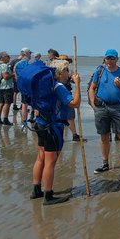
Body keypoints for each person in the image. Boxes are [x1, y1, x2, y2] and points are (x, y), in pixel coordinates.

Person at [31, 60, 81, 205]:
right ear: (59, 73)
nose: (69, 73)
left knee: (40, 158)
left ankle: (36, 190)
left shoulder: (45, 85)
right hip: (52, 128)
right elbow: (75, 103)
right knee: (50, 162)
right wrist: (77, 84)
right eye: (66, 70)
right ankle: (48, 195)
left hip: (40, 124)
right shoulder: (59, 86)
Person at [89, 49, 120, 174]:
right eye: (107, 58)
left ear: (117, 59)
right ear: (104, 59)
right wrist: (93, 104)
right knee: (104, 135)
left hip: (117, 107)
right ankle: (105, 164)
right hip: (101, 107)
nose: (109, 61)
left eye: (112, 58)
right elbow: (92, 88)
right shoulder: (99, 71)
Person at [57, 55, 82, 141]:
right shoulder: (59, 73)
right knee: (67, 115)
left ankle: (73, 135)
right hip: (64, 93)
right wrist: (77, 84)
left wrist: (76, 80)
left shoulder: (66, 70)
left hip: (66, 92)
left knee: (68, 115)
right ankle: (72, 135)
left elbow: (72, 79)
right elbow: (75, 104)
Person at [13, 47, 34, 123]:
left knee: (24, 104)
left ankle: (24, 121)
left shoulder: (17, 64)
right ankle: (27, 119)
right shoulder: (27, 63)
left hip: (21, 86)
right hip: (28, 87)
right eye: (30, 53)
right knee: (28, 104)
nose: (31, 55)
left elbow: (15, 75)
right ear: (26, 53)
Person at [0, 51, 14, 125]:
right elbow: (5, 76)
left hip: (1, 86)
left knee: (1, 102)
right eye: (7, 56)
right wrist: (13, 74)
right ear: (3, 57)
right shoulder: (4, 66)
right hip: (7, 87)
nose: (9, 57)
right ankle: (5, 119)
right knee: (7, 103)